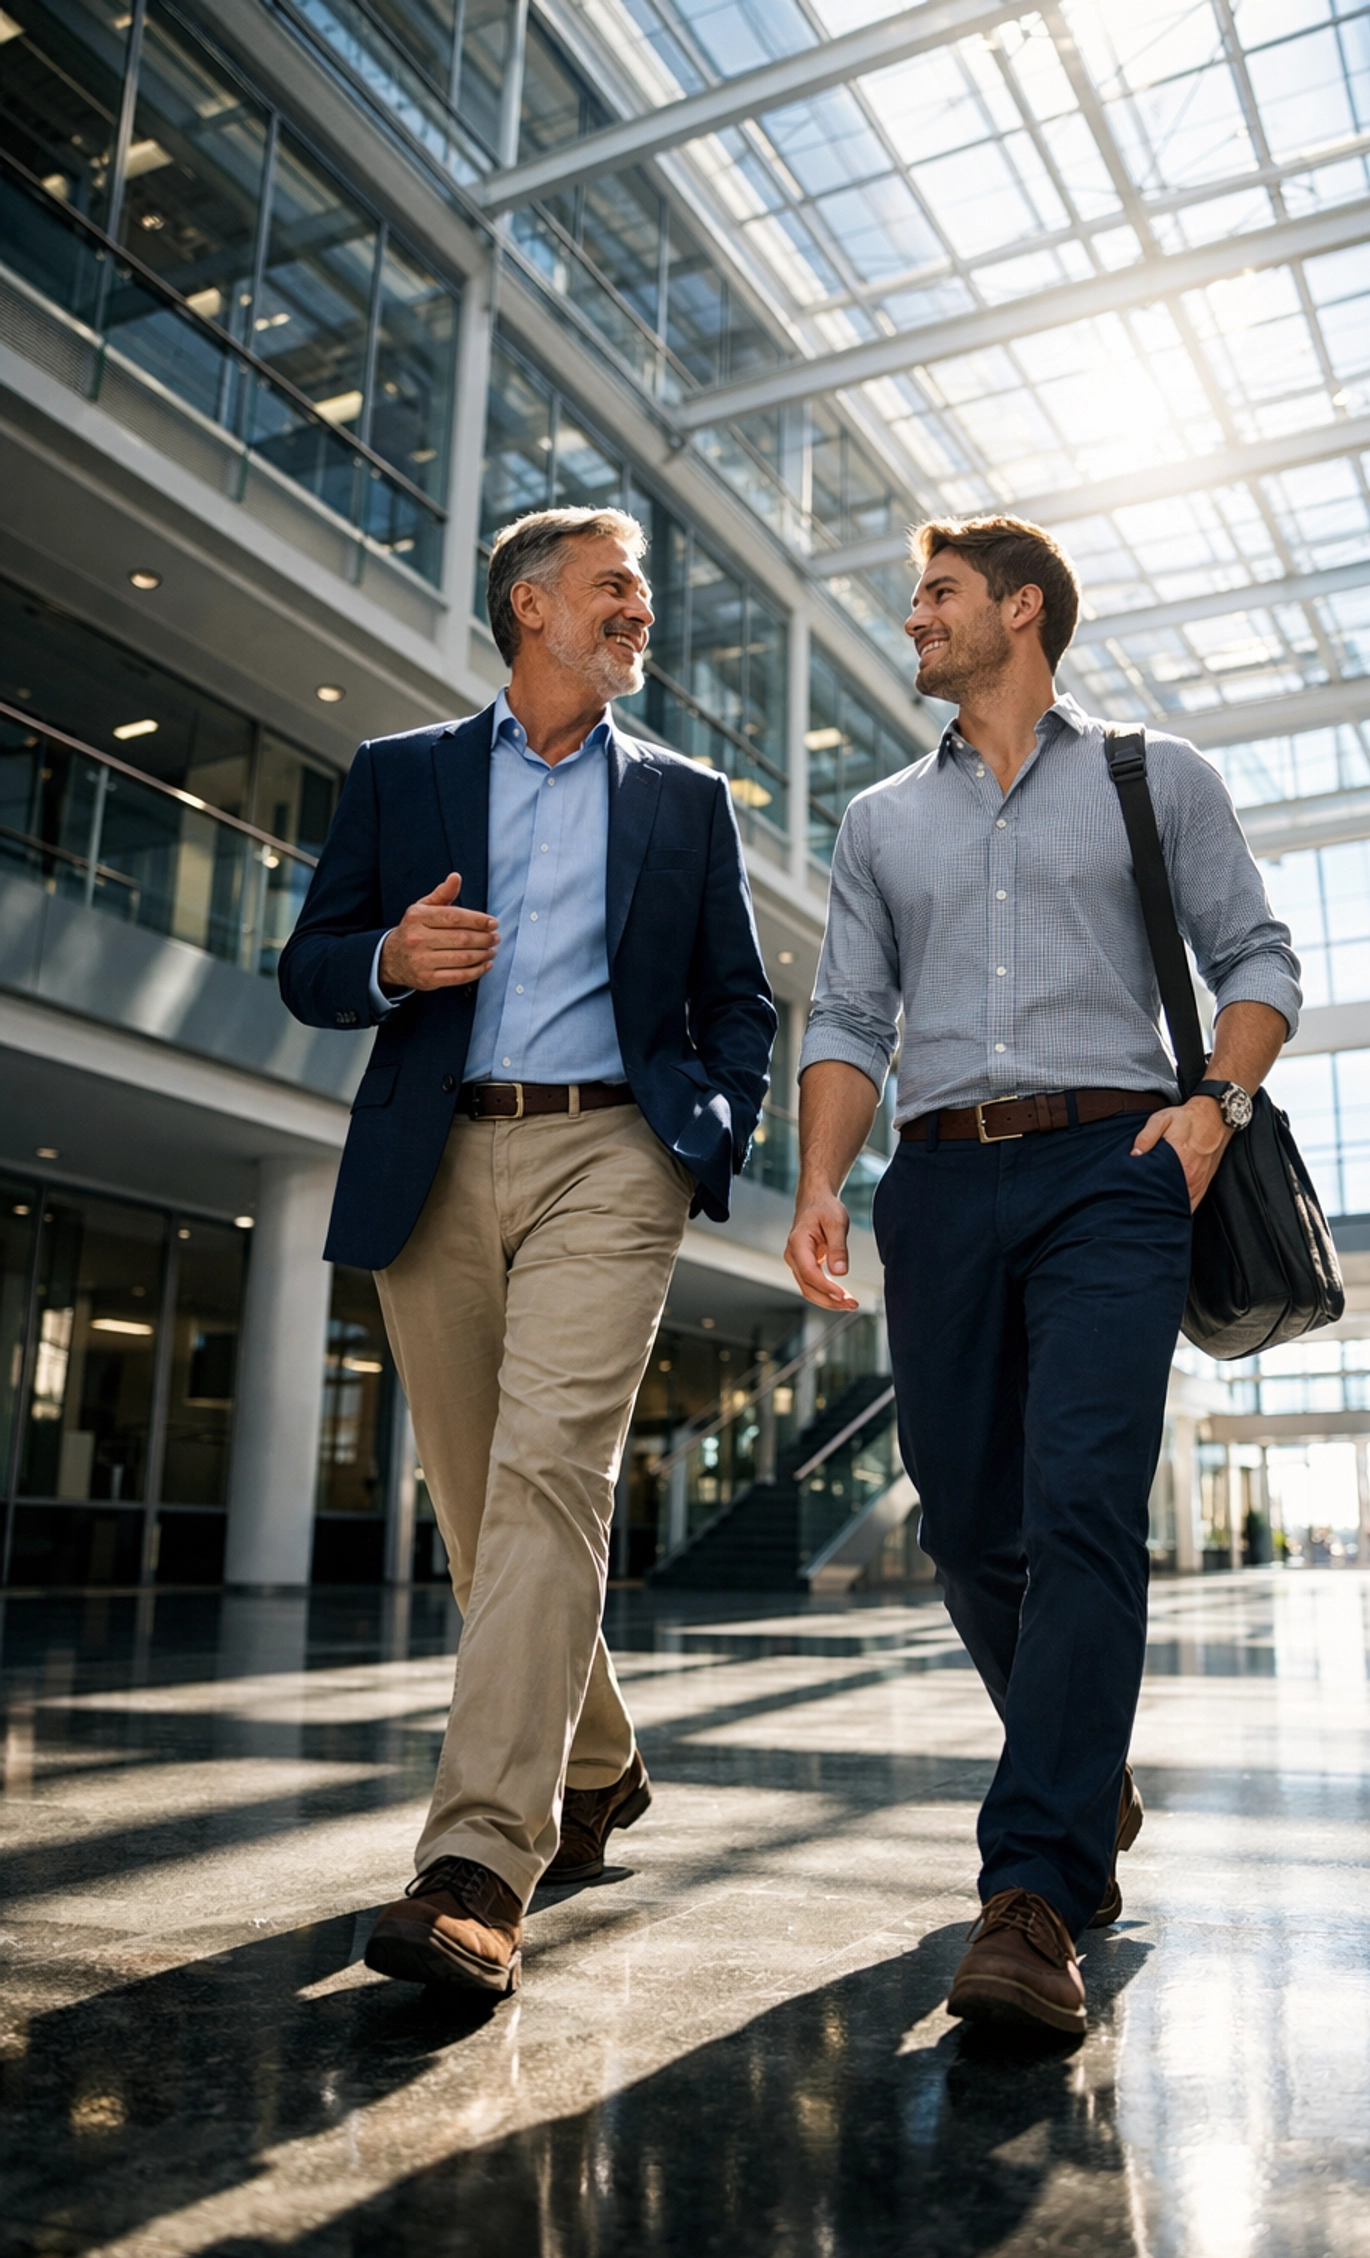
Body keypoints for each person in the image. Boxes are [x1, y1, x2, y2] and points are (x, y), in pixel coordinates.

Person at [784, 515, 1300, 2040]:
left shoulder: (1156, 776)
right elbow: (845, 1014)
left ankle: (1034, 1892)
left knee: (1081, 1501)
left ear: (1024, 609)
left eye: (937, 596)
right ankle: (1081, 1764)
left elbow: (1258, 960)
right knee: (963, 1524)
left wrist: (1212, 1108)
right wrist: (821, 1178)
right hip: (938, 1178)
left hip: (1115, 1171)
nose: (915, 621)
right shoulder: (882, 819)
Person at [280, 506, 775, 1997]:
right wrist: (386, 961)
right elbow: (310, 965)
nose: (638, 609)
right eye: (614, 586)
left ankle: (482, 1860)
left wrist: (703, 1133)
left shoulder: (684, 799)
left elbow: (738, 1002)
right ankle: (606, 1763)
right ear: (530, 606)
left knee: (553, 1479)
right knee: (486, 1519)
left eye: (638, 590)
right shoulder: (402, 774)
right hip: (435, 1158)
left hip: (611, 1155)